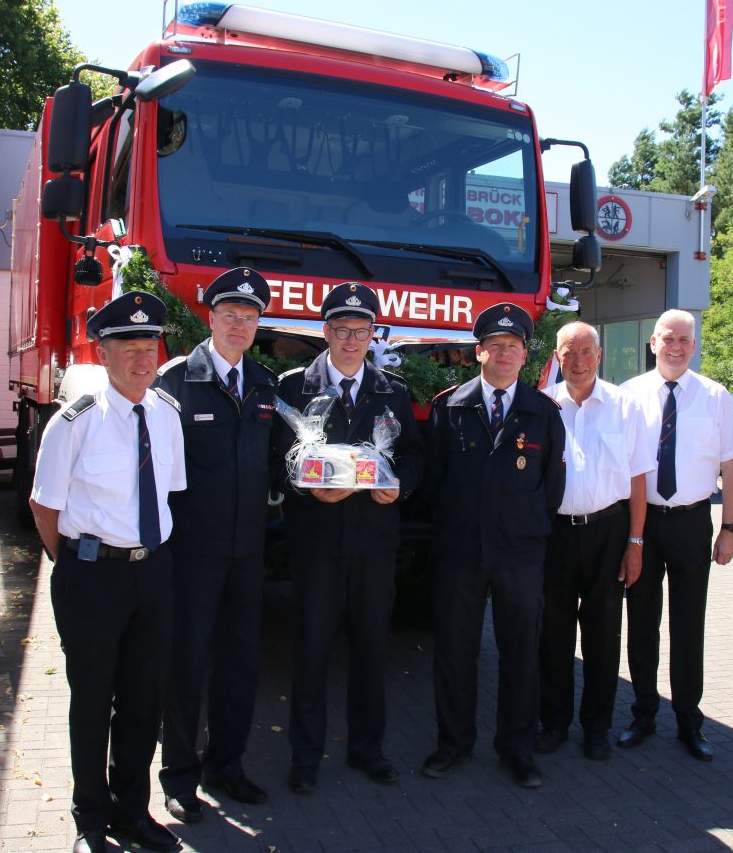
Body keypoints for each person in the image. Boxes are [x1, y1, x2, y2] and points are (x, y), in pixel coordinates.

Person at [29, 292, 186, 853]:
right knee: (92, 700)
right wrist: (73, 562)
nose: (143, 359)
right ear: (103, 351)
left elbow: (167, 496)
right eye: (129, 348)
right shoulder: (75, 422)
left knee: (144, 701)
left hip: (153, 574)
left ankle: (131, 813)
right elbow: (44, 506)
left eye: (151, 347)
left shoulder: (167, 415)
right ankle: (89, 817)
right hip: (92, 577)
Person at [276, 282, 423, 795]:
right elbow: (279, 462)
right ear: (326, 332)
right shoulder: (294, 387)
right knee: (312, 651)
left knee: (370, 649)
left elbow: (414, 454)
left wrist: (400, 486)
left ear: (373, 335)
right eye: (342, 330)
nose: (352, 340)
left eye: (362, 331)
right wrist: (309, 490)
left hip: (373, 544)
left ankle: (367, 750)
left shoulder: (392, 391)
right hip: (316, 543)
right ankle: (305, 756)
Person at [153, 267, 286, 821]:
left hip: (247, 550)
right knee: (184, 664)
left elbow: (284, 461)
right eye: (230, 315)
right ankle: (179, 777)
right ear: (210, 317)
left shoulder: (264, 385)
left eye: (250, 317)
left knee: (238, 662)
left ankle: (226, 767)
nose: (240, 324)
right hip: (190, 551)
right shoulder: (176, 380)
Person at [421, 303, 565, 788]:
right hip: (461, 553)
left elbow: (552, 488)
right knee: (455, 652)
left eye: (514, 346)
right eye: (496, 345)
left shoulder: (543, 412)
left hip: (519, 556)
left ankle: (517, 748)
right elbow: (435, 485)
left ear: (525, 355)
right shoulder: (448, 407)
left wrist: (520, 530)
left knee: (521, 654)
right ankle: (453, 743)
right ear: (478, 352)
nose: (505, 353)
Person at [618, 309, 733, 761]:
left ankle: (690, 722)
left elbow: (732, 468)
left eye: (685, 341)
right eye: (668, 339)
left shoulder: (716, 398)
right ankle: (643, 714)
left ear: (694, 346)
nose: (676, 347)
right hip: (643, 524)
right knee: (641, 622)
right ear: (653, 342)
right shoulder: (629, 395)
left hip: (693, 521)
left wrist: (729, 529)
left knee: (689, 625)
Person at [536, 322, 653, 761]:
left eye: (587, 352)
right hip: (555, 536)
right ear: (558, 357)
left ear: (599, 356)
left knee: (603, 636)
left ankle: (597, 727)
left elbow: (639, 479)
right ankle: (553, 723)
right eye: (570, 353)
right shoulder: (543, 405)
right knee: (553, 635)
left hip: (610, 532)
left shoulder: (625, 407)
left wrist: (636, 542)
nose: (579, 361)